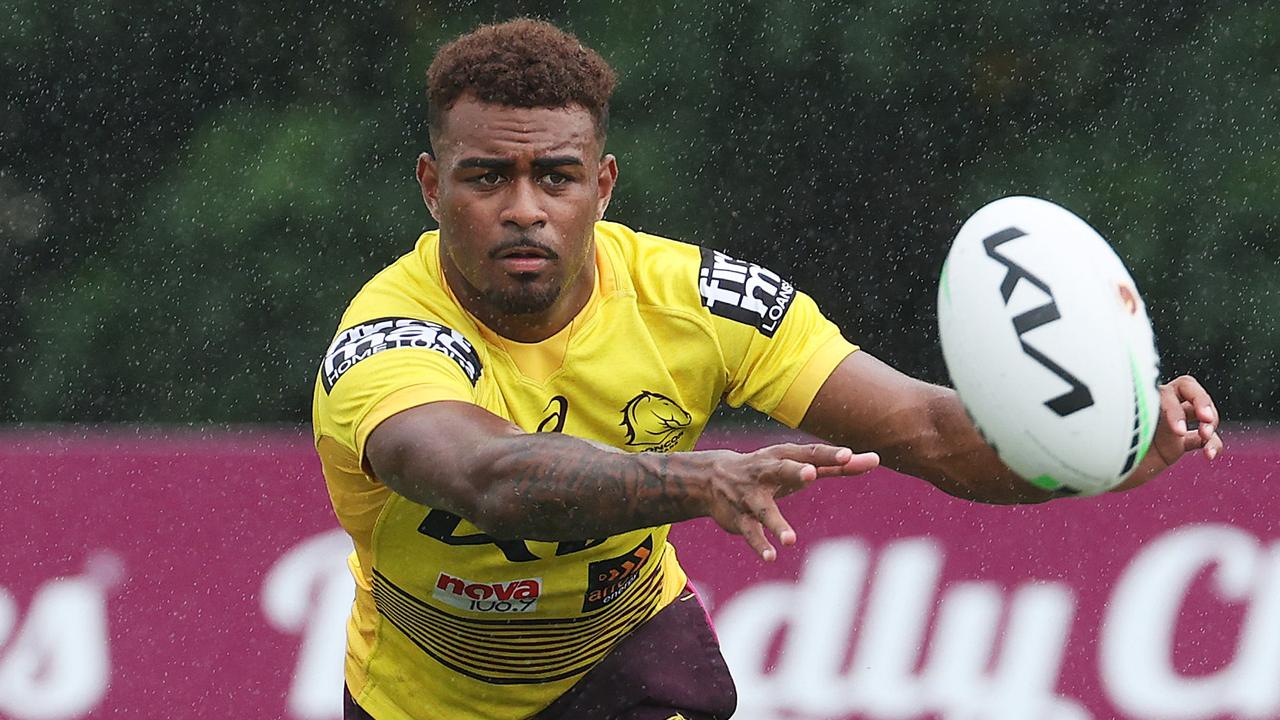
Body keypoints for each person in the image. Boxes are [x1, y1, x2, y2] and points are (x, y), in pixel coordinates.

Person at [311, 18, 1223, 720]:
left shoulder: (704, 302)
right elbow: (487, 480)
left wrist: (1102, 449)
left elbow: (938, 436)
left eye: (555, 176)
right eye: (485, 178)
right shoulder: (386, 339)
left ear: (604, 184)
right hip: (418, 697)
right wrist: (695, 477)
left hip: (624, 664)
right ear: (432, 187)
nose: (524, 209)